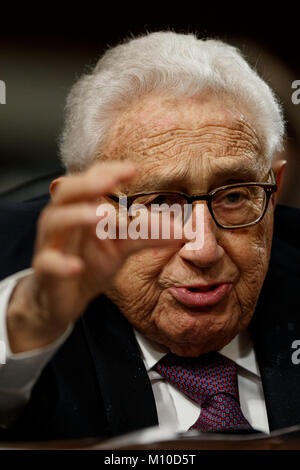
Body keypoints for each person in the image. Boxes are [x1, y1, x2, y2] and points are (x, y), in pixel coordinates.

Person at [0, 31, 299, 442]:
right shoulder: (24, 294)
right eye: (160, 203)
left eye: (233, 196)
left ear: (274, 187)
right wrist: (31, 322)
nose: (204, 249)